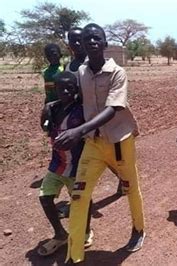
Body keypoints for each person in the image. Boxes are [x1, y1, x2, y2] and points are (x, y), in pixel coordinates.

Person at [54, 23, 145, 263]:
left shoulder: (118, 73)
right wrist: (51, 107)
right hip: (93, 144)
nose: (92, 42)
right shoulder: (81, 72)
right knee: (78, 194)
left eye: (96, 38)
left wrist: (78, 130)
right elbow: (73, 97)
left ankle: (138, 229)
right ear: (82, 46)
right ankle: (74, 256)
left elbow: (114, 108)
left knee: (130, 188)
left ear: (104, 44)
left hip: (119, 142)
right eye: (87, 39)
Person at [37, 72, 93, 256]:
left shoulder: (82, 110)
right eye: (62, 88)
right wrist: (45, 117)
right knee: (45, 198)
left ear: (77, 89)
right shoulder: (51, 109)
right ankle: (60, 234)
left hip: (78, 166)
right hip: (57, 163)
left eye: (71, 87)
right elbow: (45, 127)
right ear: (56, 89)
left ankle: (86, 231)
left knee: (81, 200)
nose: (67, 91)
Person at [65, 26, 124, 196]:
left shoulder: (95, 65)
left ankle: (121, 176)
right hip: (79, 116)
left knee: (106, 153)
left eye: (79, 40)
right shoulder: (70, 66)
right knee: (80, 157)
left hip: (99, 119)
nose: (76, 43)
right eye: (73, 40)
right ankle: (79, 197)